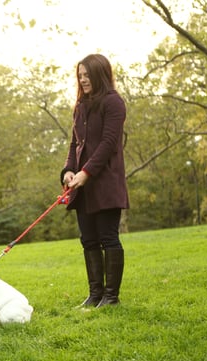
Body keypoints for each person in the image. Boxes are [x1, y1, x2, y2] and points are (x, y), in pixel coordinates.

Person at [60, 54, 129, 308]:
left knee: (108, 237)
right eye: (80, 75)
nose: (82, 79)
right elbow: (75, 143)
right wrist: (68, 170)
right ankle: (95, 295)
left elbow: (108, 144)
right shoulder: (80, 105)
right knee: (88, 239)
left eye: (87, 75)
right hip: (81, 183)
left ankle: (111, 298)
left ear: (100, 74)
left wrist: (86, 173)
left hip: (106, 183)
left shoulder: (114, 103)